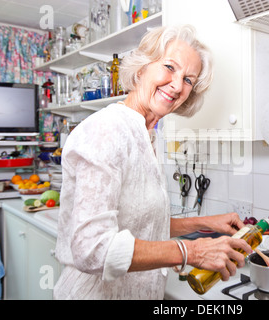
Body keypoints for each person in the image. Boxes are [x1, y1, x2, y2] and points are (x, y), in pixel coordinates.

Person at [53, 25, 252, 300]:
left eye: (188, 80)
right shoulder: (106, 130)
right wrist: (191, 252)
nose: (177, 85)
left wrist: (205, 223)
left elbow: (137, 221)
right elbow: (92, 248)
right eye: (170, 67)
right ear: (142, 67)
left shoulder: (146, 135)